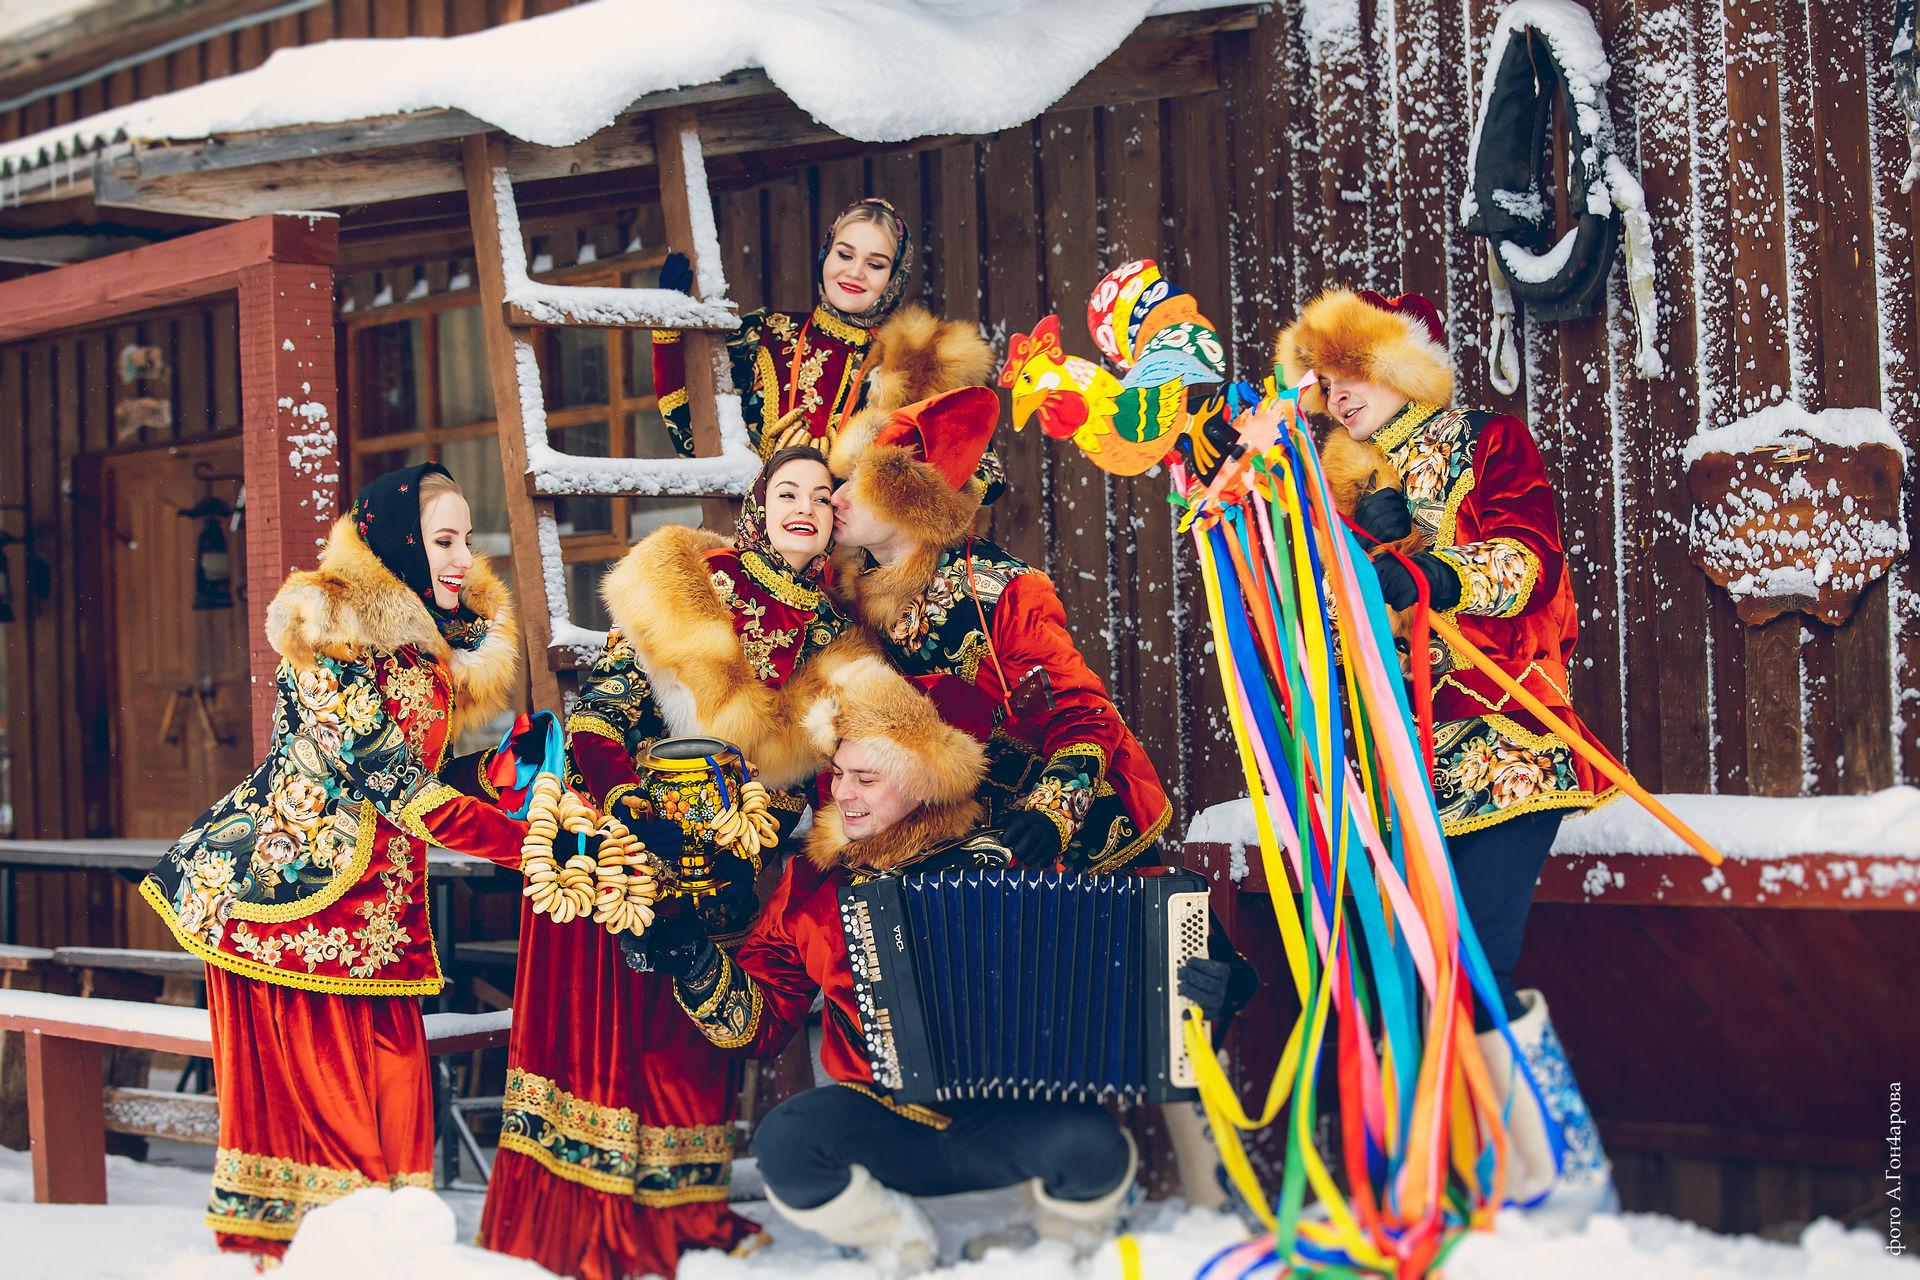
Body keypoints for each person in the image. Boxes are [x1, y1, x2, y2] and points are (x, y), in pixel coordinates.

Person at [627, 676, 1250, 1273]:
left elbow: (1144, 948)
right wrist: (695, 962)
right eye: (838, 773)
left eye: (866, 778)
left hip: (1017, 1118)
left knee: (1093, 1149)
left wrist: (1217, 981)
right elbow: (757, 1026)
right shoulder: (814, 889)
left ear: (919, 780)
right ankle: (899, 1245)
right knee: (786, 1142)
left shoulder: (1018, 860)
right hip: (886, 1119)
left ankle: (1058, 1256)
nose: (842, 794)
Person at [478, 447, 907, 1279]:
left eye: (822, 496)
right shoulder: (692, 585)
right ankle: (587, 1224)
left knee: (687, 1050)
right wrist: (630, 810)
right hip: (614, 849)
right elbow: (598, 718)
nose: (805, 506)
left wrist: (752, 831)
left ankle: (684, 1219)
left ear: (835, 522)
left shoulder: (841, 643)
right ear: (758, 508)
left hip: (724, 869)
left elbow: (813, 781)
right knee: (604, 1047)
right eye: (787, 491)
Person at [1277, 287, 1620, 1223]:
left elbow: (1531, 559)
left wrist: (1433, 569)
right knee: (1395, 974)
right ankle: (1438, 1187)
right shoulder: (1331, 485)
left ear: (1404, 364)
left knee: (1471, 964)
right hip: (1394, 772)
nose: (1339, 393)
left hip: (1505, 747)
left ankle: (1561, 1180)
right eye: (1325, 378)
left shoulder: (1486, 439)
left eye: (1355, 369)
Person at [140, 463, 537, 1256]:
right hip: (288, 901)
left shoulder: (425, 646)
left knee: (396, 1132)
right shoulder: (329, 629)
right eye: (444, 540)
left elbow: (420, 773)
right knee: (333, 1151)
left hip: (380, 917)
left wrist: (499, 776)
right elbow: (388, 778)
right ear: (400, 541)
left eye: (467, 539)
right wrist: (535, 847)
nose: (464, 559)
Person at [825, 386, 1172, 875]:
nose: (837, 498)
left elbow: (1086, 714)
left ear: (910, 501)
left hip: (1054, 834)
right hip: (942, 825)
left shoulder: (1004, 591)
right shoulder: (847, 592)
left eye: (858, 485)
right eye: (841, 481)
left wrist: (1052, 814)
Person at [651, 196, 992, 459]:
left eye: (875, 264)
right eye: (844, 255)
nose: (855, 272)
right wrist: (669, 325)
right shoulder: (760, 334)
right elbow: (692, 432)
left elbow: (981, 473)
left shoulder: (913, 363)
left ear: (895, 277)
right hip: (746, 527)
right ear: (826, 254)